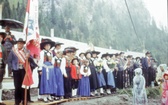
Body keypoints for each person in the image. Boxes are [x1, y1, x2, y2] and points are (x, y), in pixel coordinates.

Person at [8, 38, 32, 105]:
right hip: (16, 70)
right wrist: (11, 69)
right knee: (17, 86)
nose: (19, 44)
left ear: (23, 44)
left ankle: (24, 100)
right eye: (18, 43)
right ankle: (17, 101)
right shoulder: (13, 51)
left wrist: (28, 57)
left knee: (24, 86)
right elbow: (9, 61)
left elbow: (32, 59)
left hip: (24, 71)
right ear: (17, 44)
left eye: (21, 43)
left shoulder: (27, 51)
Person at [38, 38, 56, 103]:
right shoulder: (42, 53)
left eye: (49, 45)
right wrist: (40, 69)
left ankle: (49, 95)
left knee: (50, 82)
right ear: (44, 46)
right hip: (45, 68)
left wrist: (52, 67)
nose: (48, 46)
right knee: (45, 82)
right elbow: (40, 61)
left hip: (50, 68)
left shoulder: (51, 53)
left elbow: (52, 61)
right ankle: (44, 97)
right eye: (46, 45)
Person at [0, 32, 7, 105]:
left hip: (1, 67)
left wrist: (4, 68)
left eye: (1, 37)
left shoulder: (3, 48)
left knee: (0, 83)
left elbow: (5, 58)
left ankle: (0, 100)